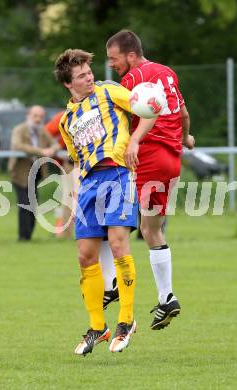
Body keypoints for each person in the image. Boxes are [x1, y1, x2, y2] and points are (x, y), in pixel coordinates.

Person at [54, 48, 158, 355]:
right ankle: (98, 328)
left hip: (118, 176)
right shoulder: (65, 120)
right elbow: (76, 162)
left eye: (89, 72)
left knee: (117, 245)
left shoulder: (110, 91)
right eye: (82, 75)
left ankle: (126, 321)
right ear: (68, 84)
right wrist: (73, 199)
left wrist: (135, 140)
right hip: (89, 185)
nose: (89, 77)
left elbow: (150, 110)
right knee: (85, 256)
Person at [105, 30, 195, 330]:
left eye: (114, 59)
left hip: (150, 155)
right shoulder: (167, 72)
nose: (112, 65)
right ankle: (167, 296)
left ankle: (112, 284)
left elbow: (143, 117)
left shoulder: (133, 79)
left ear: (130, 55)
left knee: (111, 217)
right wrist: (185, 137)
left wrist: (133, 143)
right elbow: (182, 111)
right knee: (150, 229)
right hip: (172, 159)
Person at [8, 105, 60, 241]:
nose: (38, 119)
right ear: (29, 115)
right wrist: (41, 151)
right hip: (20, 173)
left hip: (35, 174)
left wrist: (52, 149)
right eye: (35, 116)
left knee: (33, 206)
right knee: (25, 204)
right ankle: (23, 237)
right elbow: (18, 145)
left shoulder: (42, 131)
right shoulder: (19, 130)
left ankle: (28, 236)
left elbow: (54, 143)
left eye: (41, 117)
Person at [45, 111, 75, 238]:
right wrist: (57, 145)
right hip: (71, 164)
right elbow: (46, 132)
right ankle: (65, 233)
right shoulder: (66, 114)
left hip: (94, 164)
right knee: (69, 197)